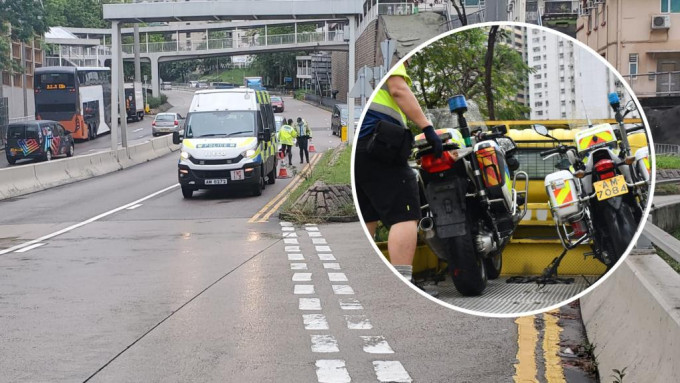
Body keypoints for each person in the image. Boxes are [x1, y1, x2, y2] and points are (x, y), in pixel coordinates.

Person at [354, 62, 443, 282]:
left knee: (369, 215)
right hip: (380, 147)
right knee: (405, 214)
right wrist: (427, 127)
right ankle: (402, 281)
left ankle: (361, 280)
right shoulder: (394, 59)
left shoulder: (375, 63)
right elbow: (398, 89)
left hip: (361, 150)